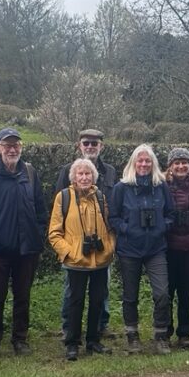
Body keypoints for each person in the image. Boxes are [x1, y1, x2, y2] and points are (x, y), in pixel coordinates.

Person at [0, 127, 48, 358]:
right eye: (7, 145)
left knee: (22, 296)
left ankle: (20, 339)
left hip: (27, 249)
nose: (12, 149)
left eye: (16, 144)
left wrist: (38, 233)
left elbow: (40, 208)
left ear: (21, 147)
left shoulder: (30, 172)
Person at [48, 158, 116, 360]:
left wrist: (110, 248)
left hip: (100, 259)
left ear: (93, 176)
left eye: (88, 174)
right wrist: (68, 252)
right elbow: (54, 232)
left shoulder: (101, 197)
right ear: (74, 177)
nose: (84, 177)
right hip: (76, 260)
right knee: (74, 301)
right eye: (80, 174)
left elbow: (109, 227)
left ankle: (93, 340)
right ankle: (72, 343)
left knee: (97, 300)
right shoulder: (64, 197)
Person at [54, 128, 118, 338]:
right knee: (73, 294)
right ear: (79, 146)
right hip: (76, 248)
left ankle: (99, 327)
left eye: (94, 143)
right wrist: (68, 249)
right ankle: (69, 329)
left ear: (101, 146)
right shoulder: (67, 170)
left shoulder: (109, 171)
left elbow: (114, 209)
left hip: (100, 247)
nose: (90, 147)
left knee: (102, 292)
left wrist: (109, 246)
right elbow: (61, 207)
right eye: (86, 143)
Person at [111, 144, 175, 354]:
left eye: (148, 161)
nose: (144, 164)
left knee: (162, 293)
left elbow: (171, 214)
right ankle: (132, 336)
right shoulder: (121, 188)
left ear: (153, 164)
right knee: (130, 295)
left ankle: (160, 335)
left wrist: (161, 227)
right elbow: (112, 217)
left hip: (156, 248)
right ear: (133, 163)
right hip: (129, 249)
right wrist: (126, 229)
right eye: (140, 160)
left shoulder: (161, 186)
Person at [163, 147, 189, 349]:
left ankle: (185, 333)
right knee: (167, 290)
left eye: (184, 162)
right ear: (170, 166)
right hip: (168, 248)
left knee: (186, 292)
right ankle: (164, 331)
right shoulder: (161, 185)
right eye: (176, 163)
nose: (180, 166)